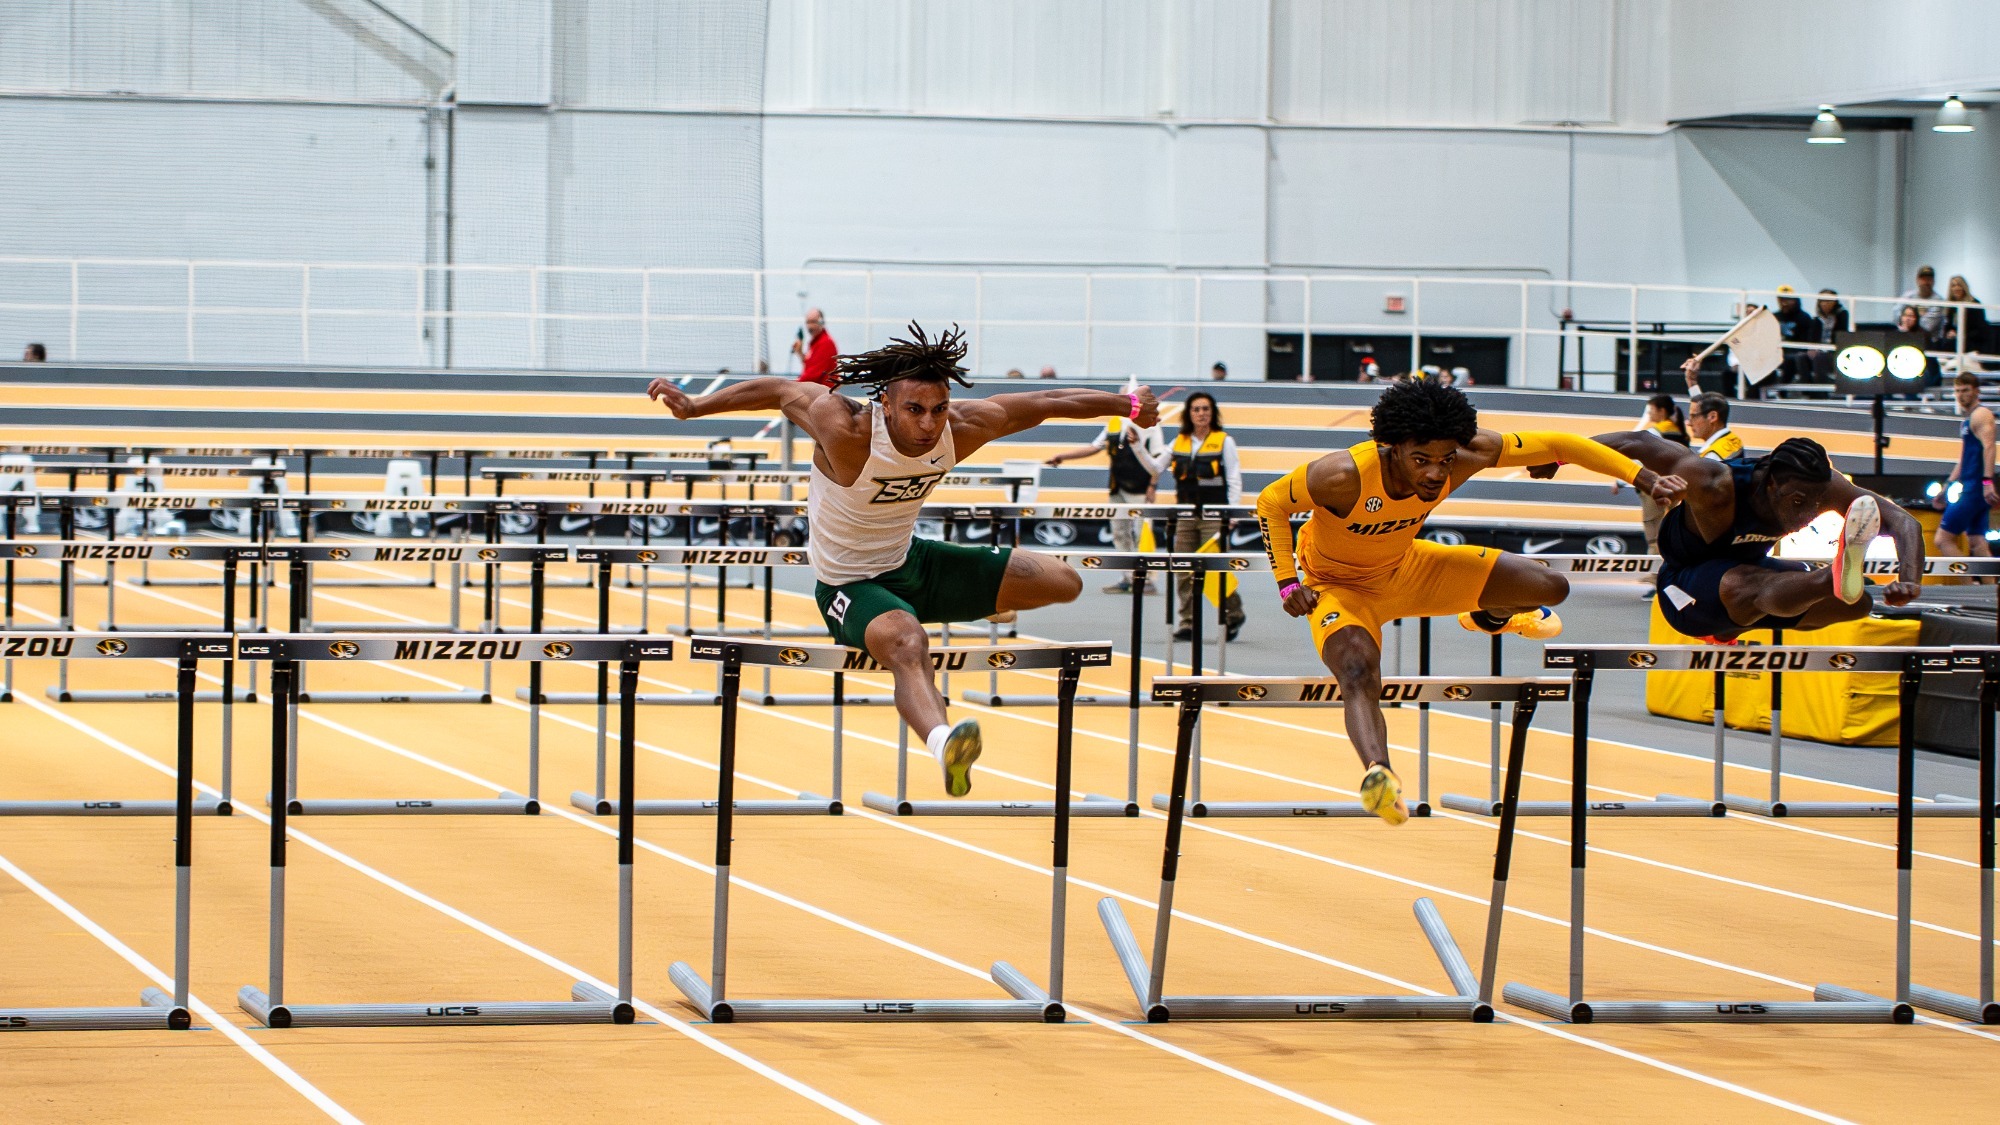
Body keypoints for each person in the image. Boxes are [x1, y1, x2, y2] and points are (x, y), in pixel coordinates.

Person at [646, 324, 1159, 798]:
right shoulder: (844, 427)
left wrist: (1129, 405)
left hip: (912, 563)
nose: (928, 424)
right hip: (848, 584)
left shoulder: (964, 426)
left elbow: (1049, 401)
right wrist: (696, 406)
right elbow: (779, 390)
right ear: (885, 404)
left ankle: (979, 604)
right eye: (914, 409)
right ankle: (945, 744)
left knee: (1063, 581)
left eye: (937, 409)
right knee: (908, 640)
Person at [1258, 379, 1684, 823]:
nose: (1436, 474)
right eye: (1421, 460)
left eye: (1445, 460)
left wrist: (1647, 478)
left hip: (1408, 569)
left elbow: (1563, 443)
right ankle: (1379, 774)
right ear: (1392, 447)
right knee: (1356, 667)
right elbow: (1271, 501)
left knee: (1549, 587)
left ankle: (1488, 615)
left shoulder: (1469, 454)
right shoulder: (1342, 475)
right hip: (1339, 588)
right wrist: (1288, 582)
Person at [1585, 430, 1924, 644]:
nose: (1809, 513)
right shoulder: (1713, 483)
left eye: (1818, 504)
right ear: (1772, 484)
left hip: (1752, 576)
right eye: (1798, 503)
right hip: (1682, 588)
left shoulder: (1824, 485)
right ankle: (1828, 577)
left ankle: (1814, 589)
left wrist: (1909, 580)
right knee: (1742, 585)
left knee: (1857, 604)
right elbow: (1638, 442)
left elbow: (1902, 521)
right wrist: (1557, 454)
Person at [1046, 408, 1166, 594]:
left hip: (1141, 488)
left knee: (1142, 535)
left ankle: (1146, 580)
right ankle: (1127, 577)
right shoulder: (1114, 423)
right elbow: (1094, 447)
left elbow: (1158, 460)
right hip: (1117, 486)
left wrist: (1153, 486)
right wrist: (1063, 456)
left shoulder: (1150, 424)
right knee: (1119, 533)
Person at [1169, 392, 1246, 641]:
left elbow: (1234, 478)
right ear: (1188, 414)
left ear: (1212, 413)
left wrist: (1232, 512)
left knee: (1215, 569)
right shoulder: (1177, 442)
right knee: (1182, 568)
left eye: (1205, 409)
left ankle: (1233, 613)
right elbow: (1153, 467)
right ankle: (1187, 622)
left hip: (1215, 513)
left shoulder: (1225, 441)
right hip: (1185, 514)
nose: (1201, 413)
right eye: (1196, 409)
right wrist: (1137, 445)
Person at [1935, 370, 1996, 572]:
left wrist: (1987, 482)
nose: (1961, 395)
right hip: (1972, 487)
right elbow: (1964, 459)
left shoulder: (1981, 414)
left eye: (1966, 390)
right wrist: (1947, 486)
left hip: (1973, 489)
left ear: (1976, 391)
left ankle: (1967, 584)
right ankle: (1988, 592)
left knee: (1942, 540)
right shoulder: (1968, 421)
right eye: (1957, 391)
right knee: (1977, 542)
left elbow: (1990, 446)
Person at [1680, 357, 1745, 461]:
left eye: (1693, 417)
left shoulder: (1711, 458)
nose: (1689, 423)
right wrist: (1691, 381)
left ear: (1713, 417)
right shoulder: (1734, 441)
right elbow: (1700, 405)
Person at [1770, 285, 1818, 384]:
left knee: (1791, 360)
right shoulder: (1774, 316)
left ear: (1795, 300)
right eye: (1781, 299)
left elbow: (1808, 339)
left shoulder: (1804, 317)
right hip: (1776, 351)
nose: (1785, 303)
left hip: (1797, 351)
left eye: (1788, 299)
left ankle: (1783, 390)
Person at [1940, 276, 1991, 355]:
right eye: (1953, 286)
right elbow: (1948, 325)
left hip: (1972, 343)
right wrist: (1949, 333)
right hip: (1954, 343)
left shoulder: (1974, 304)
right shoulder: (1950, 306)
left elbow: (1980, 329)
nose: (1956, 288)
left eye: (1959, 285)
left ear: (1964, 287)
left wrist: (1960, 334)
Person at [792, 308, 839, 387]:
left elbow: (813, 375)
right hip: (816, 391)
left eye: (813, 322)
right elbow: (810, 366)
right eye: (808, 322)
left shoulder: (826, 343)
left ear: (821, 322)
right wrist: (799, 352)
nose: (810, 326)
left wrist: (792, 385)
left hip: (821, 394)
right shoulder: (815, 343)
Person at [1901, 265, 1949, 341]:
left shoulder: (1938, 301)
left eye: (1929, 279)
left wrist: (1909, 320)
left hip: (1930, 342)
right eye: (1923, 279)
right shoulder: (1908, 296)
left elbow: (1927, 326)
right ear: (1917, 280)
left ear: (1933, 281)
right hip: (1905, 338)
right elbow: (1897, 317)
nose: (1926, 282)